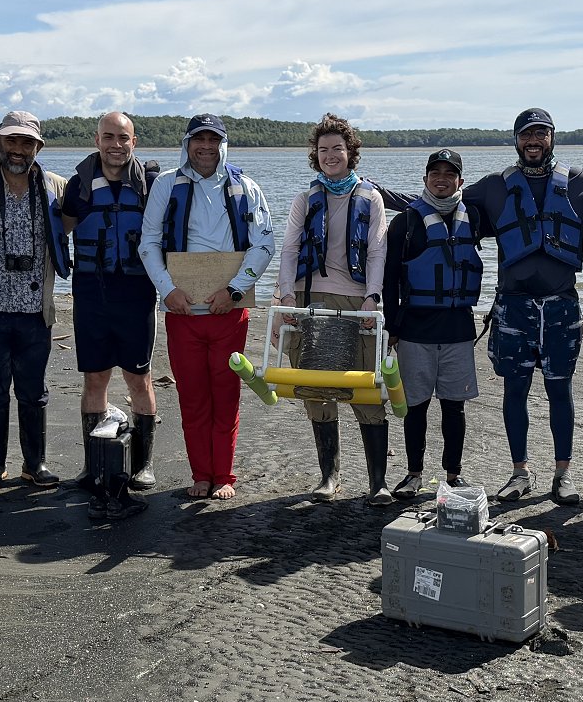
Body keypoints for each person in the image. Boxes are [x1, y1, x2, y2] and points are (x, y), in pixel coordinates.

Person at [464, 108, 583, 504]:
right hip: (513, 307)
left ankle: (564, 474)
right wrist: (370, 190)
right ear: (515, 140)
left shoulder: (582, 183)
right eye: (527, 135)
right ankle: (519, 472)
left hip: (561, 307)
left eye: (541, 134)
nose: (534, 141)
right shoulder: (493, 186)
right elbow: (439, 196)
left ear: (552, 138)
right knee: (515, 390)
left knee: (561, 390)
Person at [137, 113, 275, 500]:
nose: (206, 148)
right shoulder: (166, 185)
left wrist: (234, 290)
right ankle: (201, 474)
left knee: (226, 395)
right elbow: (148, 243)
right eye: (199, 140)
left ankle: (224, 476)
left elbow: (264, 244)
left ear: (223, 144)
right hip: (182, 314)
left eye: (214, 140)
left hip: (229, 314)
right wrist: (167, 290)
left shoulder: (246, 187)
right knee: (192, 397)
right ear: (187, 143)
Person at [275, 114, 393, 505]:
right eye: (323, 150)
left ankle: (378, 482)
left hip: (358, 302)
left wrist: (373, 295)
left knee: (366, 389)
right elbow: (290, 249)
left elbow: (377, 250)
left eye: (337, 149)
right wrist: (286, 295)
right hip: (311, 301)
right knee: (318, 391)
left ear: (350, 153)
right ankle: (330, 478)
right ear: (315, 155)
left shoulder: (370, 198)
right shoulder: (304, 200)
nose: (330, 156)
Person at [61, 112, 163, 506]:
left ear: (134, 142)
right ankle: (93, 464)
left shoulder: (152, 185)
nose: (115, 145)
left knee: (140, 379)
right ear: (97, 139)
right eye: (108, 137)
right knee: (95, 379)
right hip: (91, 289)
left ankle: (142, 464)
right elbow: (62, 228)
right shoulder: (79, 185)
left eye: (123, 138)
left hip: (136, 290)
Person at [0, 111, 70, 490]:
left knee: (33, 392)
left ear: (38, 147)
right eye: (11, 141)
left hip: (34, 313)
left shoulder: (57, 187)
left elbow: (104, 183)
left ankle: (35, 465)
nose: (18, 149)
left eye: (27, 142)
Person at [380, 148, 480, 498]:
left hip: (458, 329)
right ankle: (413, 473)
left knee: (454, 406)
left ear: (460, 181)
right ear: (424, 179)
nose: (441, 178)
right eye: (435, 172)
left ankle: (453, 474)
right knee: (416, 406)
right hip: (415, 330)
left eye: (449, 173)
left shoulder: (475, 217)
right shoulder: (404, 222)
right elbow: (390, 277)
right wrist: (391, 326)